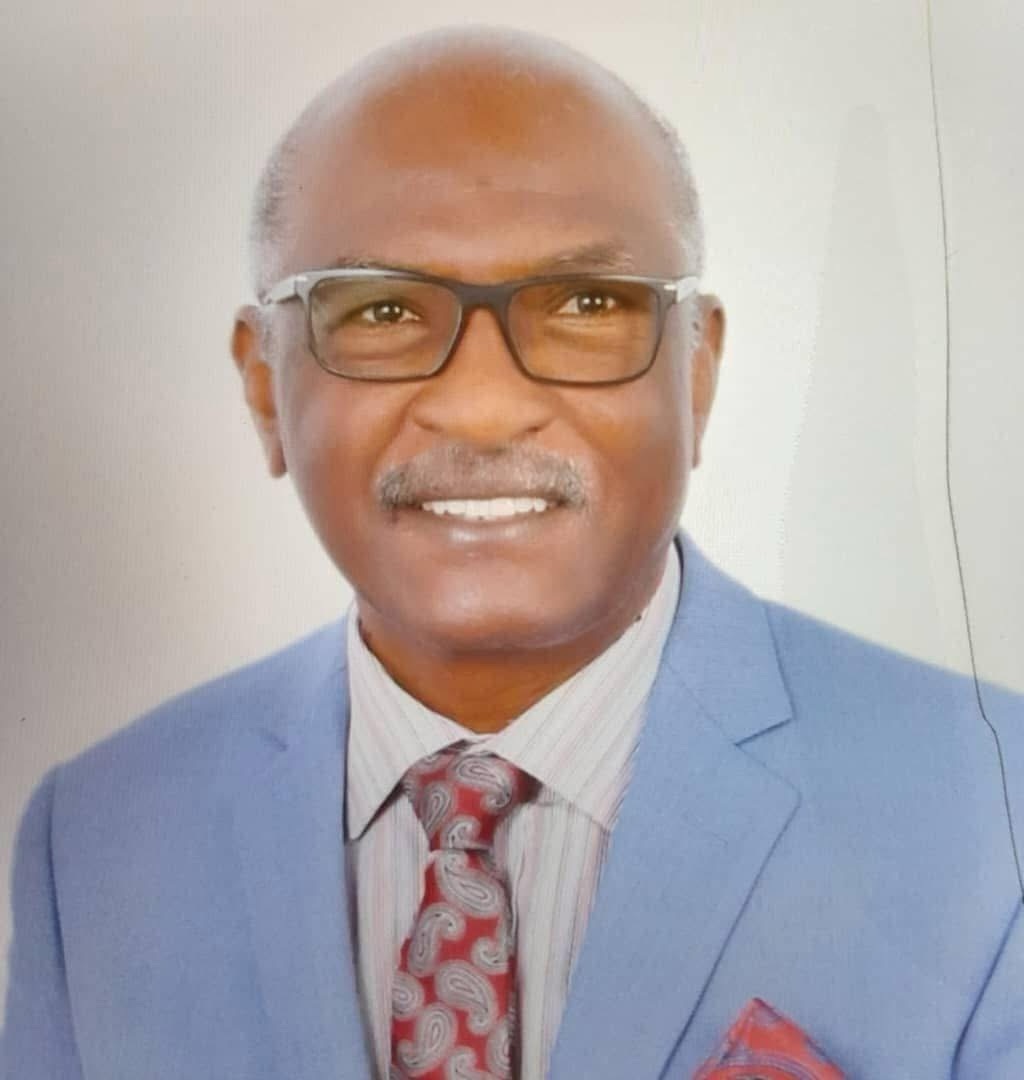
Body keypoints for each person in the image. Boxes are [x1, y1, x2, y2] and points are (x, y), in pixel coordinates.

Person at [2, 25, 1022, 1080]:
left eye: (586, 304)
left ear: (697, 374)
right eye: (383, 309)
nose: (484, 405)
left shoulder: (995, 819)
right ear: (264, 388)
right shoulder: (96, 841)